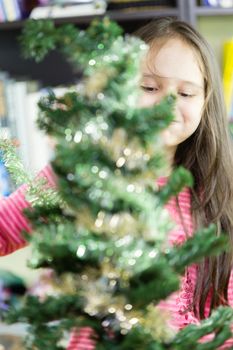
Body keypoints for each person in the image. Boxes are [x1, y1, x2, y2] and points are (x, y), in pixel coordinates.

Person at [0, 16, 233, 349]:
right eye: (150, 87)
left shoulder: (219, 195)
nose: (167, 104)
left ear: (205, 101)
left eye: (185, 92)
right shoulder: (84, 176)